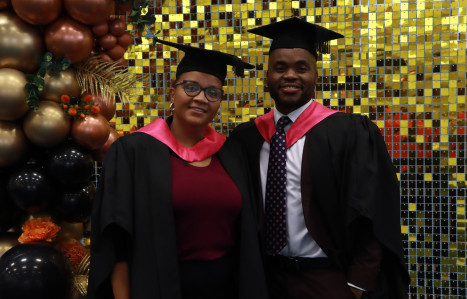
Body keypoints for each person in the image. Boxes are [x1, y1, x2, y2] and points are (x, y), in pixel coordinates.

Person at [230, 17, 410, 299]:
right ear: (267, 75)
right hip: (265, 280)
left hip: (329, 280)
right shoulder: (246, 139)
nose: (290, 75)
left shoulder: (349, 134)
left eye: (301, 68)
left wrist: (358, 284)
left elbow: (374, 210)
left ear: (315, 75)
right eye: (280, 68)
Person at [88, 38, 269, 299]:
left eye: (213, 92)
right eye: (191, 87)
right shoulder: (133, 152)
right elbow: (116, 240)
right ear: (173, 93)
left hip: (227, 289)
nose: (201, 98)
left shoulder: (233, 153)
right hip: (157, 286)